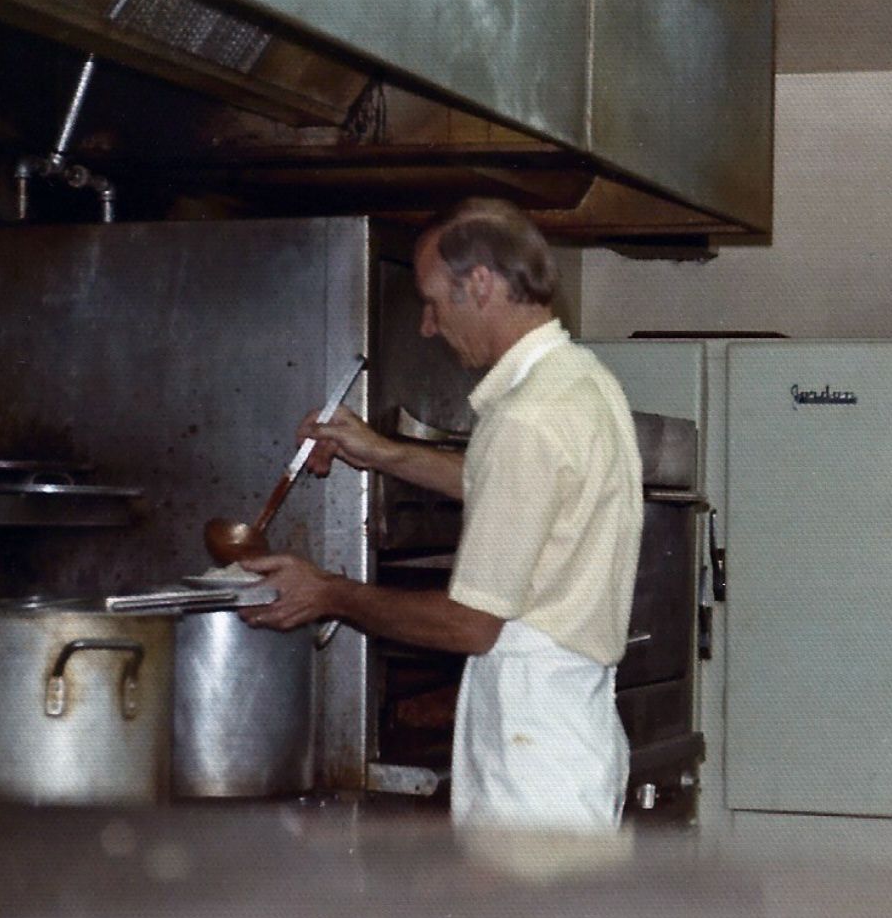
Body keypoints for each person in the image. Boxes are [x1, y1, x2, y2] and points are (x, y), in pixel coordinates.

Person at [240, 197, 644, 831]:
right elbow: (517, 492)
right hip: (565, 736)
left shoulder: (527, 417)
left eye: (433, 301)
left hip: (531, 758)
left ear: (480, 284)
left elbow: (470, 625)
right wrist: (381, 453)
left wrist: (327, 593)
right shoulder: (580, 381)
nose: (428, 325)